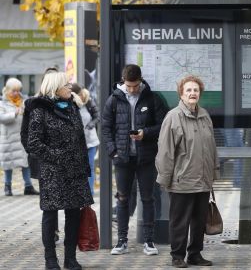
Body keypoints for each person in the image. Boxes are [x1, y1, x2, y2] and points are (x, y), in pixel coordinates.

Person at [26, 72, 93, 270]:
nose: (70, 87)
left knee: (74, 214)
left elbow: (81, 140)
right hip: (53, 171)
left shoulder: (72, 106)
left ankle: (70, 259)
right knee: (50, 214)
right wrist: (57, 156)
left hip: (74, 170)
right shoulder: (40, 110)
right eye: (66, 84)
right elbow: (34, 143)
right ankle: (50, 260)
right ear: (55, 87)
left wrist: (84, 167)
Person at [102, 64, 168, 256]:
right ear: (123, 81)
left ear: (141, 80)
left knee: (148, 198)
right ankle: (122, 241)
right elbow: (106, 128)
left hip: (146, 157)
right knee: (123, 198)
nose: (132, 89)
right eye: (129, 86)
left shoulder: (152, 98)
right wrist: (113, 151)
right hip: (122, 158)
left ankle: (149, 241)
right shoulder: (114, 99)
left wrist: (144, 133)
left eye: (135, 85)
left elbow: (164, 124)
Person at [156, 75, 219, 268]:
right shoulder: (173, 117)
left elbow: (212, 147)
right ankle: (177, 256)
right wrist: (165, 178)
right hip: (181, 181)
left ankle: (195, 254)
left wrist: (214, 173)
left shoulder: (205, 115)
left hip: (202, 180)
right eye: (189, 90)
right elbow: (165, 151)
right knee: (180, 222)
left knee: (199, 221)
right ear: (181, 94)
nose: (193, 93)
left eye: (196, 90)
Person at [1, 77, 37, 196]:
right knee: (8, 164)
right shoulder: (2, 103)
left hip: (22, 137)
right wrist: (14, 113)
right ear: (7, 90)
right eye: (13, 91)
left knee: (25, 162)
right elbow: (2, 118)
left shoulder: (23, 101)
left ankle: (28, 186)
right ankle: (7, 187)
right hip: (9, 139)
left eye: (18, 90)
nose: (16, 93)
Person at [71, 84, 100, 196]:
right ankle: (78, 192)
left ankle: (90, 192)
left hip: (90, 141)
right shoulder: (70, 104)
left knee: (90, 167)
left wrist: (90, 125)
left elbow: (97, 116)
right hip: (76, 143)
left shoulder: (88, 102)